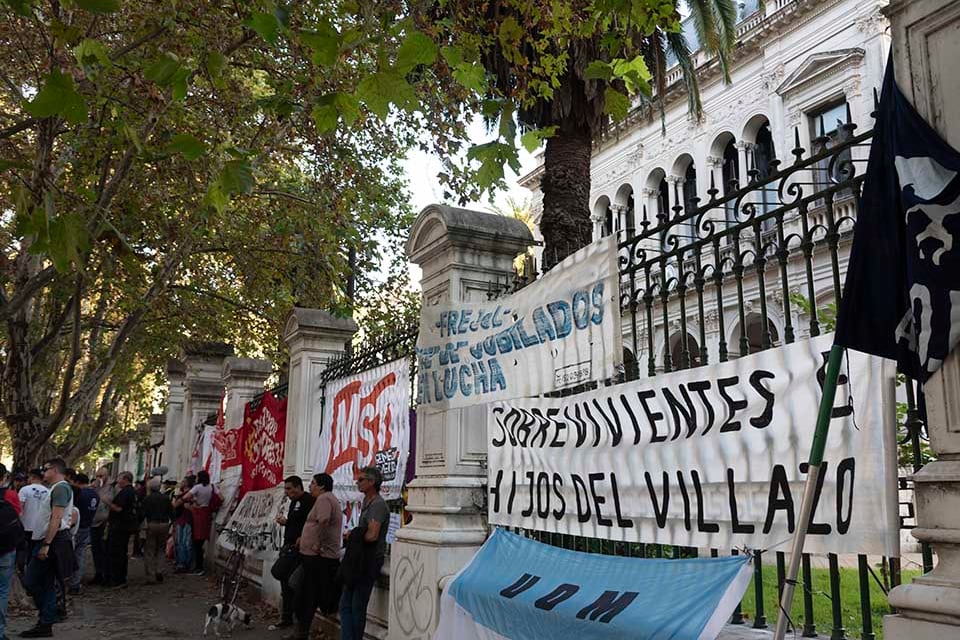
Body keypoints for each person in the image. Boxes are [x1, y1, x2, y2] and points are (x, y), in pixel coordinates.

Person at [22, 458, 75, 638]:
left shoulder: (60, 488)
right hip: (49, 540)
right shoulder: (56, 488)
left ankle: (47, 616)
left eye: (45, 470)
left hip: (52, 541)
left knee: (32, 580)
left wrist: (46, 545)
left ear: (54, 470)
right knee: (46, 583)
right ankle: (46, 620)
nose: (43, 473)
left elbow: (56, 518)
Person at [339, 466, 390, 640]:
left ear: (371, 482)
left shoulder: (377, 505)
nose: (357, 482)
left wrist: (353, 534)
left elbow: (372, 535)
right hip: (359, 560)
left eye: (361, 479)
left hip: (368, 562)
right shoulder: (368, 503)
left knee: (355, 607)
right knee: (347, 604)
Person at [288, 474, 341, 640]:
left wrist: (318, 544)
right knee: (301, 590)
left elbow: (323, 522)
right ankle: (300, 631)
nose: (310, 486)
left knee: (305, 594)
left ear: (322, 486)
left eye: (312, 483)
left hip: (318, 557)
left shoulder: (324, 499)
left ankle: (301, 633)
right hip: (311, 554)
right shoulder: (325, 498)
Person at [269, 476, 315, 630]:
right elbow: (295, 521)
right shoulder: (294, 502)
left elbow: (311, 523)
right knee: (285, 582)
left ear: (298, 486)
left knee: (283, 574)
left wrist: (303, 537)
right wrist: (286, 522)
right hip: (288, 545)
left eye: (289, 488)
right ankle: (286, 616)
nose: (287, 492)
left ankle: (297, 618)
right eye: (286, 489)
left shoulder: (308, 501)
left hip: (298, 550)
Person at [0, 465, 24, 640]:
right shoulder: (10, 495)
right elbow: (18, 519)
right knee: (2, 592)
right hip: (6, 551)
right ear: (3, 478)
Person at [68, 474, 98, 595]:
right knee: (79, 555)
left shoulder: (79, 494)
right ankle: (75, 583)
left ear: (77, 482)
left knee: (70, 555)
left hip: (75, 527)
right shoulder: (95, 494)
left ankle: (68, 581)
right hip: (87, 526)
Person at [105, 472, 137, 588]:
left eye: (119, 478)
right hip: (124, 526)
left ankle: (118, 579)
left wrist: (107, 502)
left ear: (125, 479)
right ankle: (120, 578)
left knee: (117, 553)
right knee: (121, 552)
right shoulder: (131, 492)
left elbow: (119, 508)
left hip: (120, 526)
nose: (117, 480)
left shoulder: (126, 492)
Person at [140, 479, 173, 584]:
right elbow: (171, 512)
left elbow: (142, 513)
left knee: (149, 550)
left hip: (151, 524)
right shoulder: (166, 498)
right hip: (164, 524)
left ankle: (150, 575)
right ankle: (159, 570)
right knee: (161, 549)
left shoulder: (147, 499)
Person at [184, 470, 215, 575]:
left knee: (196, 541)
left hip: (198, 512)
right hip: (207, 513)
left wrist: (194, 501)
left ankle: (199, 566)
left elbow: (185, 497)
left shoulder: (197, 487)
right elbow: (221, 498)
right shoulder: (212, 487)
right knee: (201, 540)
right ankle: (199, 566)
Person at [89, 468, 113, 586]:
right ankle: (98, 573)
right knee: (96, 550)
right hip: (94, 522)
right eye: (97, 475)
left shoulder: (112, 487)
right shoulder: (94, 487)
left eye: (101, 475)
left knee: (105, 550)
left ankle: (106, 575)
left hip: (106, 523)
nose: (99, 478)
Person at [172, 478, 194, 573]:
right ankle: (181, 562)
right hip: (180, 519)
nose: (181, 483)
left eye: (183, 482)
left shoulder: (189, 494)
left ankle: (184, 563)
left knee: (184, 542)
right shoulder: (181, 494)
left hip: (186, 520)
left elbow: (175, 504)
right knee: (180, 542)